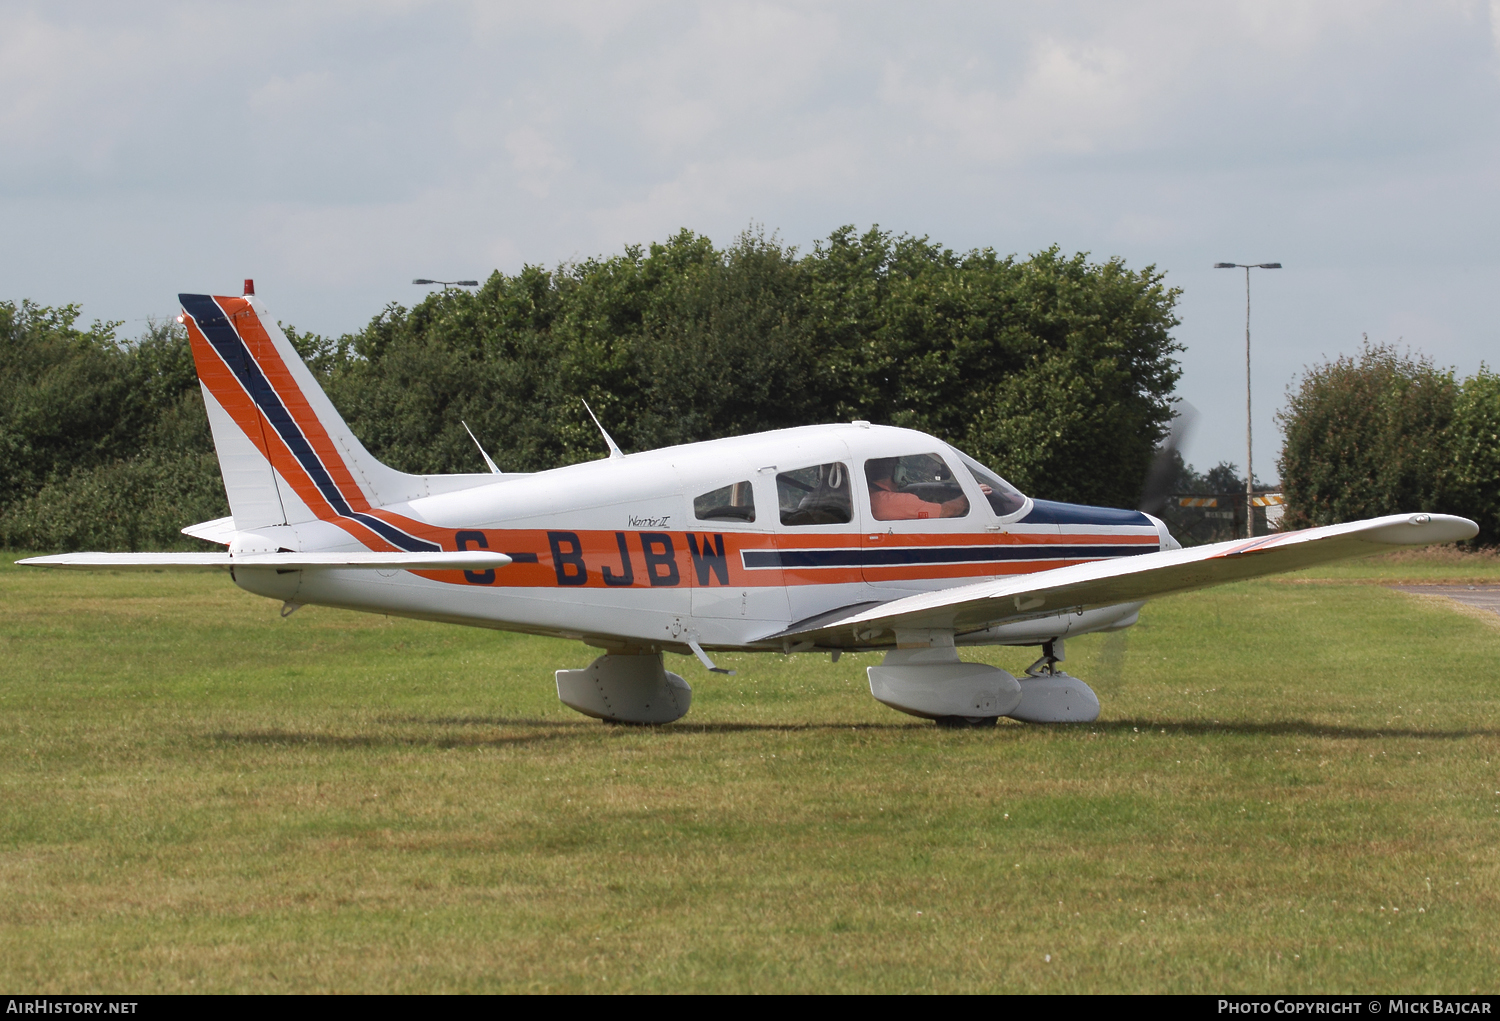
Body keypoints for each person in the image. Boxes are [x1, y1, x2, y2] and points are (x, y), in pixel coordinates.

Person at [865, 456, 969, 520]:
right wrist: (967, 498)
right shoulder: (901, 502)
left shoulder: (863, 497)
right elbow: (946, 512)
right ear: (898, 473)